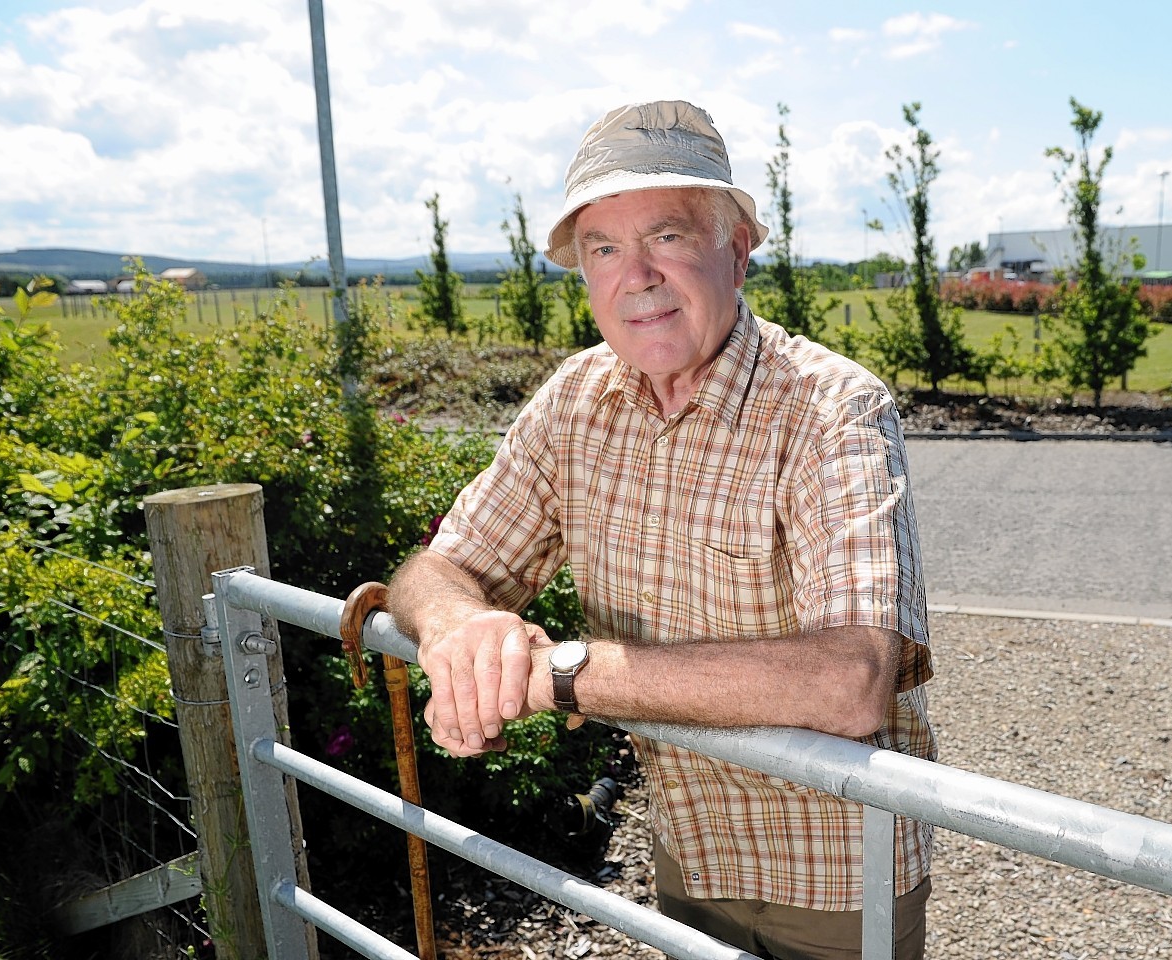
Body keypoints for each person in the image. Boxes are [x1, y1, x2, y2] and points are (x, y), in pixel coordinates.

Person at [387, 100, 936, 960]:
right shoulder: (577, 400)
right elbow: (436, 567)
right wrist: (460, 626)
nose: (634, 275)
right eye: (602, 249)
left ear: (738, 249)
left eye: (668, 237)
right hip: (687, 848)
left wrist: (563, 673)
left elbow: (851, 681)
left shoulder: (832, 411)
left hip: (834, 871)